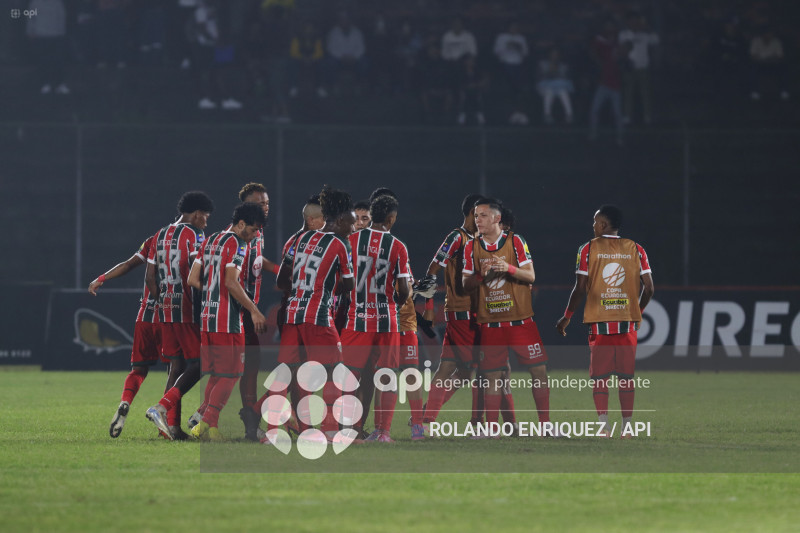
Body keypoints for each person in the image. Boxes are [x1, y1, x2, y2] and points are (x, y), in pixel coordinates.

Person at [265, 186, 356, 443]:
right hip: (318, 315)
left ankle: (275, 431)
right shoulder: (339, 244)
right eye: (349, 223)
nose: (352, 228)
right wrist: (328, 286)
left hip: (292, 313)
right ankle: (329, 428)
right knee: (334, 370)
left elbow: (282, 279)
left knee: (286, 373)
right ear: (337, 219)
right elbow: (349, 284)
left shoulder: (299, 240)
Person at [556, 205, 653, 438]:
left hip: (600, 323)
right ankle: (627, 428)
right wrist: (637, 312)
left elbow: (580, 288)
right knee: (626, 377)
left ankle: (604, 427)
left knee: (600, 377)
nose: (593, 225)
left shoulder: (587, 248)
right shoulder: (637, 249)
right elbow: (649, 288)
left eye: (595, 221)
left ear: (602, 224)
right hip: (626, 323)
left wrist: (567, 316)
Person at [462, 198, 551, 434]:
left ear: (497, 218)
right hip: (491, 324)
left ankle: (546, 425)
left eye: (482, 215)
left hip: (521, 321)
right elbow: (465, 285)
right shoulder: (471, 247)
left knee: (539, 371)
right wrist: (480, 276)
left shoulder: (515, 241)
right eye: (475, 216)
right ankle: (492, 429)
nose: (477, 220)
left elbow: (530, 276)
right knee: (492, 376)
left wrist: (508, 268)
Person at [186, 203, 268, 441]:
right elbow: (231, 283)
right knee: (232, 374)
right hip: (227, 321)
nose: (254, 235)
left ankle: (211, 428)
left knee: (217, 374)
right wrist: (254, 311)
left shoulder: (211, 240)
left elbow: (192, 279)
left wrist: (212, 294)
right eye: (253, 230)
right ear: (241, 224)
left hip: (207, 318)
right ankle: (204, 424)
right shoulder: (239, 244)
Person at [144, 191, 214, 440]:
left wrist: (162, 300)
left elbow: (150, 278)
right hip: (186, 308)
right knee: (203, 362)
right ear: (196, 214)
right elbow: (200, 271)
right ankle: (162, 408)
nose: (206, 222)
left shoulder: (159, 235)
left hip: (165, 307)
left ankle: (170, 429)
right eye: (205, 217)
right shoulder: (195, 235)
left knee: (176, 365)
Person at [341, 194, 410, 443]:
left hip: (357, 318)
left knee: (349, 377)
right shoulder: (398, 246)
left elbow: (341, 280)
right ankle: (383, 432)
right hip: (386, 320)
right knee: (387, 376)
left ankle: (348, 429)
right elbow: (404, 289)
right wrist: (393, 303)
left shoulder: (351, 241)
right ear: (391, 219)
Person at [89, 233, 162, 438]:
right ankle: (167, 423)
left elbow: (128, 264)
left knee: (138, 370)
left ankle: (125, 402)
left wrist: (101, 278)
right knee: (176, 370)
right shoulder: (191, 238)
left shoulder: (154, 239)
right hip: (168, 316)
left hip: (144, 315)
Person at [420, 194, 485, 426]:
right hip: (464, 313)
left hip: (470, 313)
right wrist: (429, 308)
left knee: (454, 369)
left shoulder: (479, 239)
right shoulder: (457, 237)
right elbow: (432, 269)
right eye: (483, 213)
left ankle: (426, 416)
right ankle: (478, 423)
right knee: (484, 368)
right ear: (473, 213)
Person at [231, 183, 272, 441]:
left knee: (249, 364)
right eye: (259, 203)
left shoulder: (258, 231)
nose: (265, 207)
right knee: (235, 367)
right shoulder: (236, 235)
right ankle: (203, 416)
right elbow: (230, 279)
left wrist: (278, 269)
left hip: (246, 308)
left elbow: (257, 260)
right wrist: (253, 310)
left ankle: (250, 420)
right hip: (237, 309)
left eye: (266, 203)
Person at [618, 12, 659, 124]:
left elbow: (656, 40)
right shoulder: (624, 34)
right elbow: (621, 48)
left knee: (645, 93)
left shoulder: (645, 35)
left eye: (636, 20)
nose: (633, 23)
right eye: (631, 20)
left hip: (643, 67)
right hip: (629, 68)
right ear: (627, 22)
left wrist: (647, 28)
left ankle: (647, 116)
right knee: (628, 93)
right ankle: (627, 116)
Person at [589, 21, 624, 145]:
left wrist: (619, 53)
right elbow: (593, 51)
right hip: (603, 84)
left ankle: (620, 137)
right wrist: (599, 62)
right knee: (594, 110)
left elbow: (623, 54)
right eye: (607, 26)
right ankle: (593, 134)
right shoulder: (601, 42)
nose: (609, 29)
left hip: (616, 86)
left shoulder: (618, 43)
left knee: (617, 114)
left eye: (611, 27)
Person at [493, 21, 529, 125]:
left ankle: (520, 114)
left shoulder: (521, 38)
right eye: (512, 27)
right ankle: (510, 114)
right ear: (508, 28)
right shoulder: (502, 37)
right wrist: (507, 45)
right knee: (509, 90)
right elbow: (496, 51)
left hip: (519, 66)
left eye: (516, 27)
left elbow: (526, 53)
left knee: (519, 90)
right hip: (505, 65)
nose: (514, 29)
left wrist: (519, 47)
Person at [536, 48, 574, 124]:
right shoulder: (543, 64)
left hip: (559, 86)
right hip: (545, 86)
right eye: (553, 54)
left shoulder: (563, 65)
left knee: (563, 92)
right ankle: (547, 115)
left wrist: (557, 74)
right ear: (549, 55)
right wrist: (549, 74)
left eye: (556, 54)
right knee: (549, 92)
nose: (554, 56)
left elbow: (566, 78)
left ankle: (569, 115)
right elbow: (539, 77)